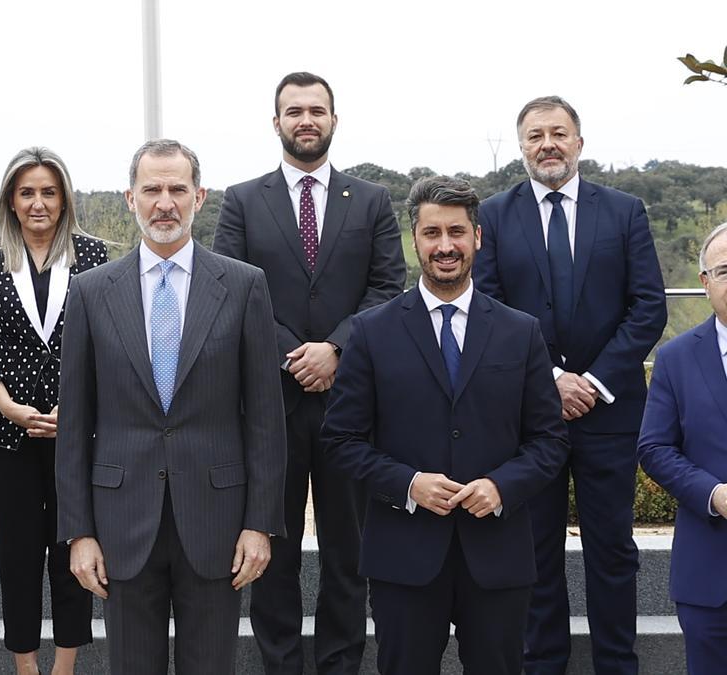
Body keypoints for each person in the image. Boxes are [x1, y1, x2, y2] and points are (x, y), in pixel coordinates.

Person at [56, 139, 286, 674]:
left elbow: (266, 420)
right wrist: (79, 532)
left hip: (218, 523)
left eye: (177, 189)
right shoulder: (90, 292)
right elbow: (75, 424)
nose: (165, 202)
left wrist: (260, 523)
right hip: (120, 523)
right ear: (129, 197)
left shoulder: (244, 286)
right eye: (152, 189)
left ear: (199, 196)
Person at [323, 175, 569, 674]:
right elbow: (341, 440)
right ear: (415, 240)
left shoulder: (520, 332)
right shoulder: (371, 332)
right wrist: (408, 483)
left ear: (477, 237)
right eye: (432, 233)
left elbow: (549, 440)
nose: (445, 246)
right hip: (404, 558)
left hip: (498, 558)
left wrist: (501, 487)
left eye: (456, 232)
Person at [213, 71, 405, 675]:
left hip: (352, 405)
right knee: (273, 548)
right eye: (293, 111)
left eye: (316, 110)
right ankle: (281, 666)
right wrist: (297, 354)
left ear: (333, 120)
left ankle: (341, 665)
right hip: (271, 403)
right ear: (276, 123)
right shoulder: (243, 200)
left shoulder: (370, 201)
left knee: (351, 553)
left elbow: (387, 287)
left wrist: (338, 350)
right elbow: (230, 291)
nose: (306, 120)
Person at [473, 95, 667, 674]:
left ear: (580, 142)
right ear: (522, 147)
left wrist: (596, 381)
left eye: (559, 133)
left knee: (612, 550)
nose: (548, 144)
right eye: (535, 136)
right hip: (530, 414)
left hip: (610, 413)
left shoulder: (625, 210)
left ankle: (616, 665)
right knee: (535, 553)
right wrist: (552, 380)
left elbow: (648, 306)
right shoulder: (495, 215)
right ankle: (544, 665)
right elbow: (489, 305)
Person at [0, 147, 105, 675]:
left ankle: (66, 664)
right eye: (27, 192)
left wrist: (75, 408)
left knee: (74, 554)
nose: (38, 202)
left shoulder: (93, 257)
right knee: (19, 561)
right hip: (7, 437)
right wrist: (8, 407)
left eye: (49, 191)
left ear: (64, 198)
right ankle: (25, 664)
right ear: (11, 200)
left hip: (77, 436)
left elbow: (108, 346)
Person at [637, 222, 727, 674]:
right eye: (726, 270)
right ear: (704, 283)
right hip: (710, 573)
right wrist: (714, 494)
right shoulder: (676, 359)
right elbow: (654, 448)